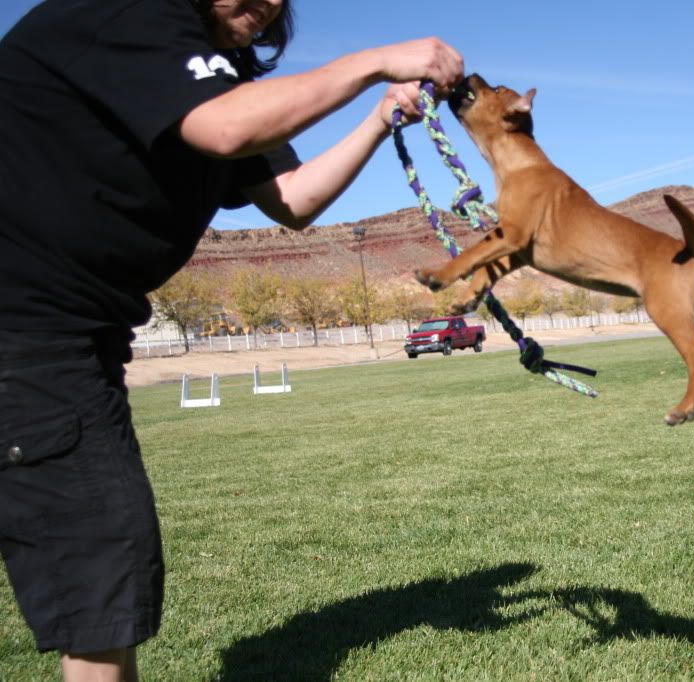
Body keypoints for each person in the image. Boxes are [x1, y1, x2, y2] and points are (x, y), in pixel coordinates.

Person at [0, 0, 463, 679]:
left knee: (100, 563)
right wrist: (372, 61)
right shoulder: (126, 12)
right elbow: (226, 129)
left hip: (72, 333)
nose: (269, 0)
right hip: (27, 326)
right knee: (100, 564)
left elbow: (295, 199)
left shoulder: (222, 77)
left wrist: (378, 115)